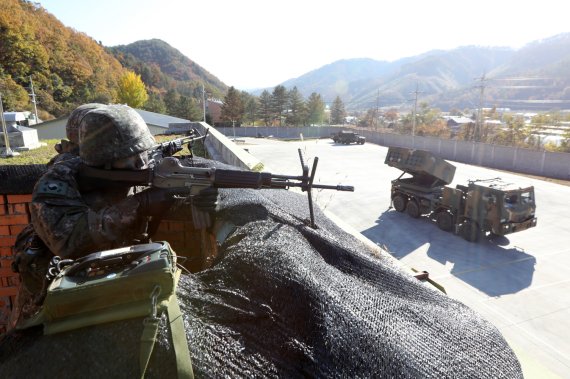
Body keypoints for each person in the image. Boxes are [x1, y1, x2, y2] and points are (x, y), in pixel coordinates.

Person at [11, 104, 216, 326]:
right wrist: (141, 204)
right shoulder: (57, 182)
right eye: (131, 156)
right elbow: (69, 243)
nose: (142, 163)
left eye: (144, 153)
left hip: (107, 286)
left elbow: (160, 196)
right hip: (50, 299)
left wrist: (196, 194)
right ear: (105, 160)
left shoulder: (126, 171)